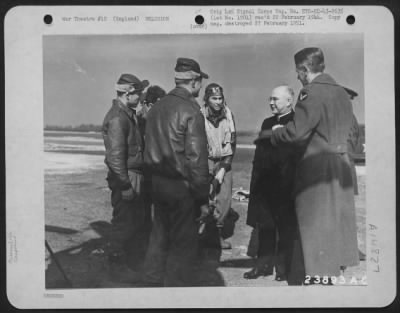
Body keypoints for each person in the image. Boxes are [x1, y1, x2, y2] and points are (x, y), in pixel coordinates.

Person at [271, 47, 359, 283]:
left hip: (318, 171)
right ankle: (332, 281)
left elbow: (298, 133)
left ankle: (316, 285)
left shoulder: (310, 92)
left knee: (315, 230)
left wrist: (277, 133)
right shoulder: (341, 93)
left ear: (304, 69)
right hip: (342, 168)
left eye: (298, 72)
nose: (297, 77)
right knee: (337, 230)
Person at [141, 58, 210, 287]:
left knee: (158, 235)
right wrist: (202, 199)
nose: (200, 88)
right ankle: (176, 291)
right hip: (181, 188)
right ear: (195, 81)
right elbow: (197, 160)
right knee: (183, 243)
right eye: (200, 83)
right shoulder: (192, 110)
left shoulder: (156, 108)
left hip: (157, 184)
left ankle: (151, 282)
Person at [244, 85, 304, 284]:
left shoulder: (297, 122)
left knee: (286, 228)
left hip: (286, 185)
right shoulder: (267, 122)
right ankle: (263, 265)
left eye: (276, 99)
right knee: (265, 226)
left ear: (289, 101)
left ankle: (283, 268)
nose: (271, 102)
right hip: (266, 184)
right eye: (270, 99)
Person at [102, 73, 149, 282]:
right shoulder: (118, 118)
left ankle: (130, 264)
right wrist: (125, 185)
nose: (140, 97)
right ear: (128, 93)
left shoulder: (127, 114)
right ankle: (117, 267)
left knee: (134, 221)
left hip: (133, 174)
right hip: (127, 176)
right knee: (123, 222)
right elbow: (115, 158)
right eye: (138, 93)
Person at [201, 83, 237, 249]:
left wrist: (224, 167)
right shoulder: (198, 116)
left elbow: (232, 143)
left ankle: (218, 235)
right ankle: (201, 234)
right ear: (207, 99)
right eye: (214, 98)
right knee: (205, 197)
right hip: (205, 160)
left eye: (220, 98)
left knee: (224, 199)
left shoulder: (229, 116)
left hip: (224, 160)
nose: (218, 102)